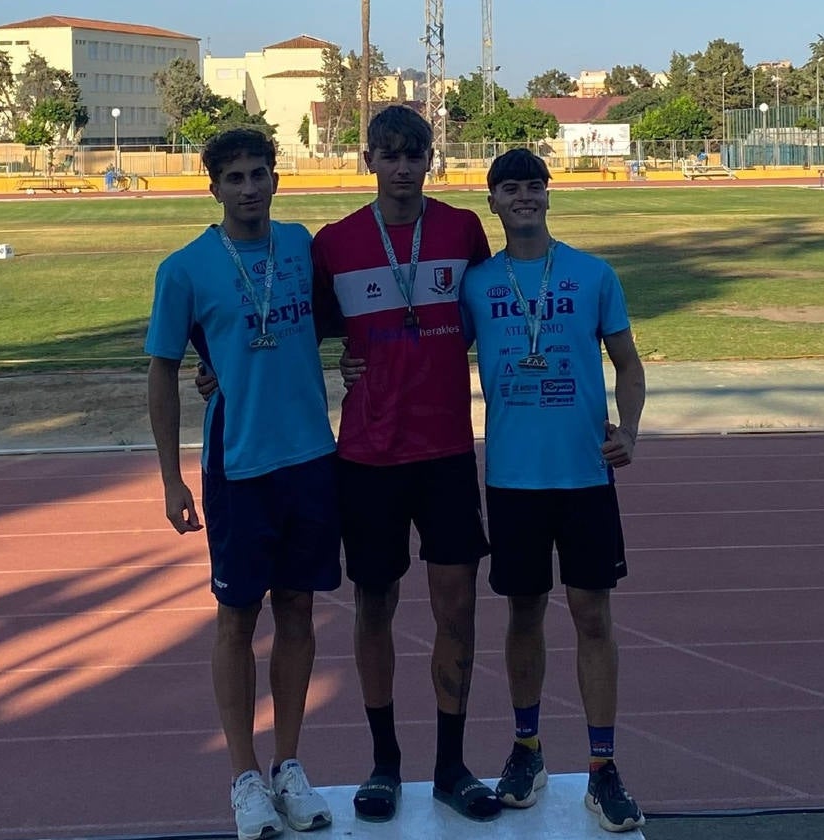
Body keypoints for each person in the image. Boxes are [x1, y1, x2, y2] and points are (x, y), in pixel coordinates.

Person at [201, 105, 498, 823]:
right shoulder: (334, 244)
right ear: (368, 160)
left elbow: (494, 314)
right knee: (374, 605)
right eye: (390, 155)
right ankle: (384, 763)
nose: (403, 167)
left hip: (449, 449)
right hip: (367, 454)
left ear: (432, 159)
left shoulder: (463, 231)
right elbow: (291, 325)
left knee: (458, 607)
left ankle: (453, 765)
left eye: (415, 154)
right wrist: (220, 372)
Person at [146, 128, 340, 840]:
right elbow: (164, 372)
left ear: (276, 180)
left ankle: (289, 766)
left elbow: (337, 322)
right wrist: (170, 478)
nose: (250, 187)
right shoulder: (185, 269)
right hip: (239, 467)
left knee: (299, 611)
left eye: (260, 173)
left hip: (312, 458)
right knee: (237, 619)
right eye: (234, 177)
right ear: (214, 187)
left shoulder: (300, 247)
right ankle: (244, 777)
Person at [458, 149, 647, 833]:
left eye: (535, 186)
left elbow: (628, 364)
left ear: (547, 194)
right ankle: (527, 748)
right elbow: (426, 358)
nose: (526, 197)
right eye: (511, 188)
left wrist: (629, 429)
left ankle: (603, 766)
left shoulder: (593, 275)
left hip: (584, 476)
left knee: (593, 614)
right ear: (495, 202)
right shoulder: (477, 285)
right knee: (523, 615)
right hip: (513, 477)